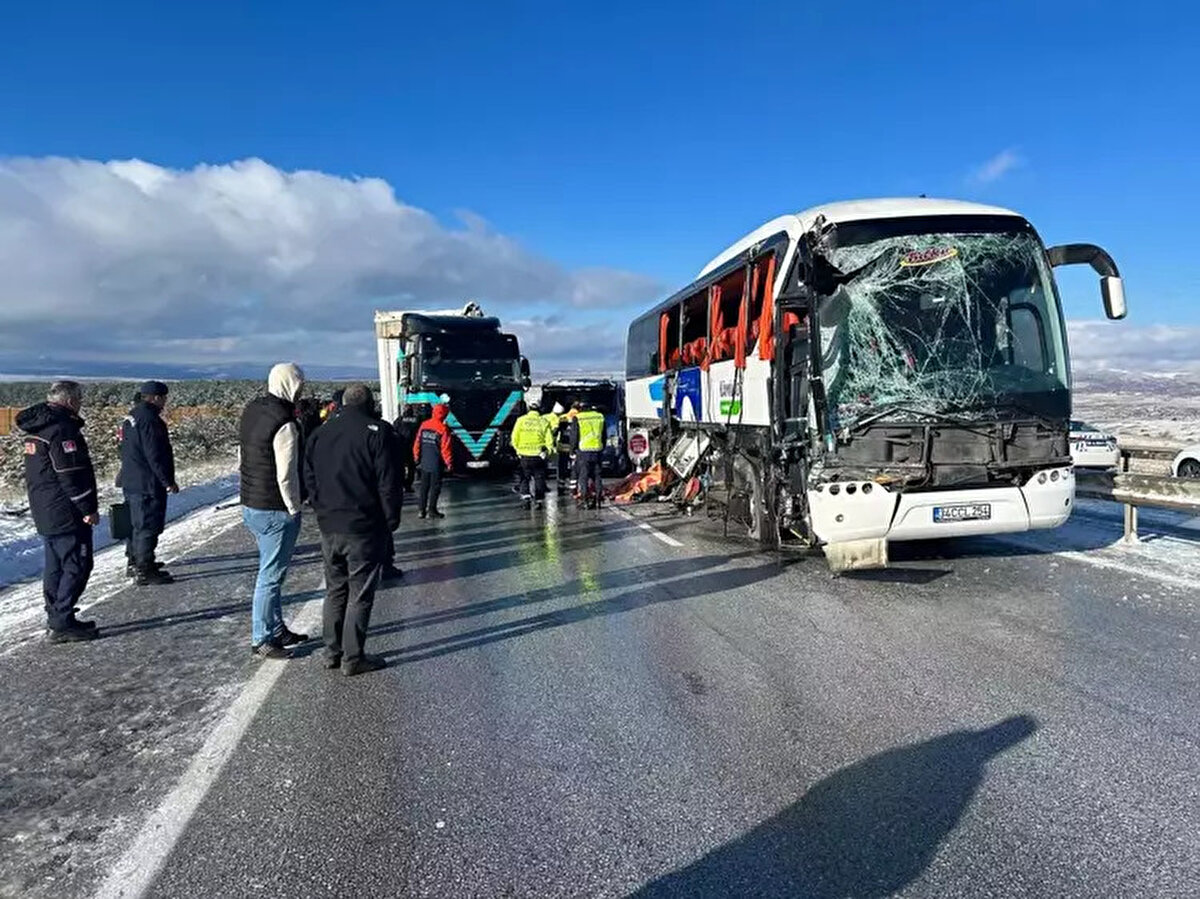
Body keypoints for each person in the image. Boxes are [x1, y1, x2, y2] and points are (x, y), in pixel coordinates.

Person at [304, 383, 401, 676]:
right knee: (360, 594)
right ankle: (353, 657)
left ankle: (331, 652)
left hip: (329, 524)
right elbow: (388, 481)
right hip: (363, 526)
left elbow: (308, 476)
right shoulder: (377, 431)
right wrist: (390, 519)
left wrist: (321, 508)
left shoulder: (320, 433)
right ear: (370, 403)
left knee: (335, 590)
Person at [18, 381, 102, 643]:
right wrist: (87, 507)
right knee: (77, 563)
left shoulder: (38, 428)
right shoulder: (62, 430)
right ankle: (61, 619)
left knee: (55, 566)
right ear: (69, 401)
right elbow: (70, 475)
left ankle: (57, 614)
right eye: (78, 398)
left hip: (45, 508)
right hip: (65, 510)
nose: (80, 403)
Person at [239, 363, 309, 659]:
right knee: (270, 576)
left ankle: (276, 627)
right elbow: (286, 471)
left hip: (252, 502)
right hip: (274, 507)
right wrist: (293, 506)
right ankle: (262, 638)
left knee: (271, 572)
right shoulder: (285, 422)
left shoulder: (253, 410)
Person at [121, 380, 179, 586]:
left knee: (135, 523)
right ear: (155, 398)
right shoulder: (150, 420)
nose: (164, 403)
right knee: (147, 524)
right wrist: (167, 481)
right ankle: (144, 569)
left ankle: (135, 561)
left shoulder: (132, 416)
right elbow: (155, 454)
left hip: (131, 478)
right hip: (147, 481)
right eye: (163, 398)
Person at [511, 400, 554, 509]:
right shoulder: (543, 422)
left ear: (529, 410)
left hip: (524, 455)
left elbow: (514, 437)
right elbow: (549, 440)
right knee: (539, 478)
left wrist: (518, 450)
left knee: (525, 478)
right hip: (538, 455)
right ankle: (539, 501)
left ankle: (526, 499)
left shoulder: (521, 420)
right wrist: (548, 451)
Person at [412, 403, 452, 519]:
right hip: (436, 464)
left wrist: (416, 456)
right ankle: (432, 510)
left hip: (425, 462)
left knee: (424, 487)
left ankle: (421, 510)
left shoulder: (424, 425)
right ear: (444, 414)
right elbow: (446, 448)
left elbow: (417, 442)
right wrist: (449, 463)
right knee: (435, 487)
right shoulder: (443, 429)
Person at [573, 401, 607, 508]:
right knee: (597, 475)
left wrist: (572, 449)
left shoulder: (578, 417)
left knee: (584, 476)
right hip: (597, 449)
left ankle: (584, 500)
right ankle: (598, 499)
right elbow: (604, 434)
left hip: (584, 450)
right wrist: (602, 446)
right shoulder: (599, 417)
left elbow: (574, 436)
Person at [560, 401, 583, 494]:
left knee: (562, 467)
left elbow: (558, 431)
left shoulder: (563, 417)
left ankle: (560, 486)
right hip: (576, 447)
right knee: (575, 468)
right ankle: (574, 487)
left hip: (563, 446)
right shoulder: (580, 417)